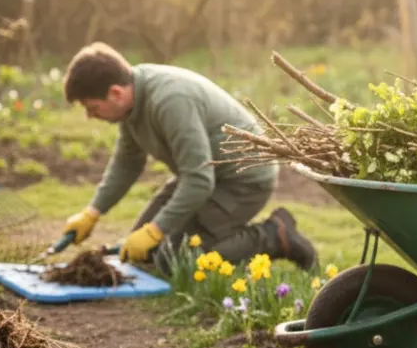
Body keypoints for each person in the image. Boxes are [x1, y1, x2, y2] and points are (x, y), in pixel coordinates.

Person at [58, 43, 317, 273]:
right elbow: (127, 163)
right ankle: (207, 234)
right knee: (145, 253)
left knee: (174, 258)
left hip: (244, 179)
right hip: (206, 175)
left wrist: (156, 230)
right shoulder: (132, 102)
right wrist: (92, 212)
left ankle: (274, 235)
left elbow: (198, 179)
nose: (90, 116)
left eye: (92, 108)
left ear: (115, 93)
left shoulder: (170, 100)